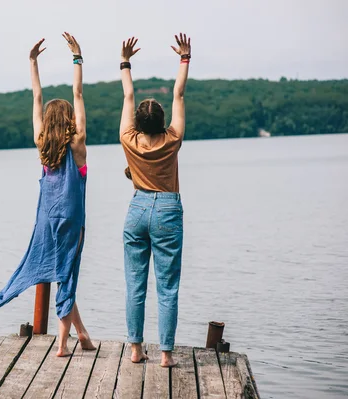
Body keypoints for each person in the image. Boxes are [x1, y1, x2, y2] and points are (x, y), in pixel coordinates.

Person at [0, 33, 95, 357]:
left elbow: (37, 98)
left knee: (62, 273)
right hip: (71, 219)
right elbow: (77, 93)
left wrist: (32, 62)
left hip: (45, 218)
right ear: (68, 122)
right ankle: (63, 345)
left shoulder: (41, 143)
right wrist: (77, 58)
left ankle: (82, 334)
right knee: (67, 275)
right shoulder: (77, 145)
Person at [119, 33, 191, 366]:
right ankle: (165, 354)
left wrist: (125, 62)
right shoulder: (172, 140)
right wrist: (184, 59)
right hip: (166, 210)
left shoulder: (128, 139)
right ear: (162, 122)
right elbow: (178, 93)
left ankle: (135, 350)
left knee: (135, 283)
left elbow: (128, 94)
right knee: (167, 286)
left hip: (137, 209)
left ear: (139, 123)